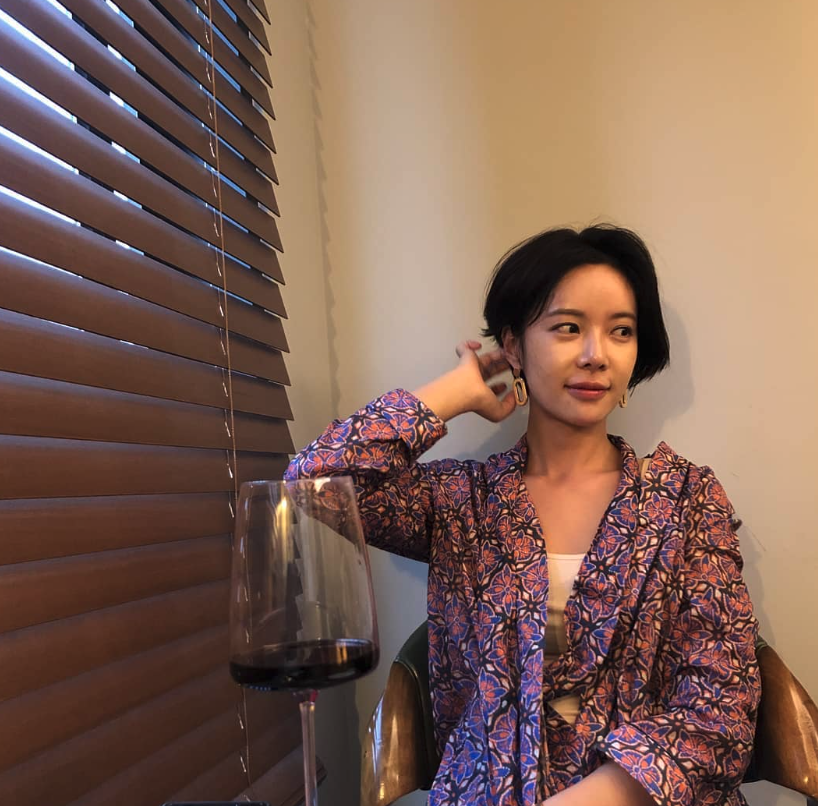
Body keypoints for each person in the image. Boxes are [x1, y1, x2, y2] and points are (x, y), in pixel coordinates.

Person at [285, 224, 761, 806]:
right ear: (513, 345)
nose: (596, 354)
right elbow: (314, 481)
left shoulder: (686, 500)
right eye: (568, 327)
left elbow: (721, 708)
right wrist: (455, 393)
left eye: (621, 331)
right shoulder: (463, 502)